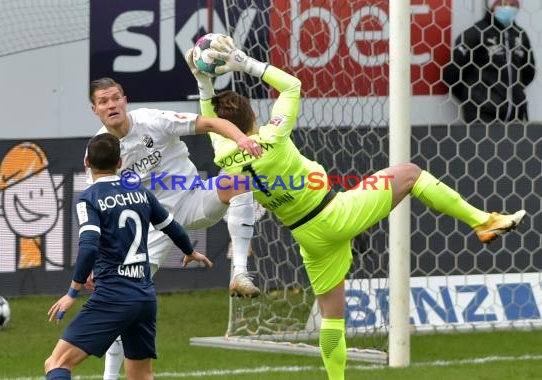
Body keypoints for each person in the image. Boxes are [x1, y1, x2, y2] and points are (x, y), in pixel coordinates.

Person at [186, 36, 526, 380]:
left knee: (332, 318)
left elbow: (210, 119)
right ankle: (483, 221)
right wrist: (246, 64)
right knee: (409, 174)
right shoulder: (272, 139)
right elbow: (292, 86)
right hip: (335, 213)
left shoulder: (223, 154)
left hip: (308, 238)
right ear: (254, 119)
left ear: (224, 130)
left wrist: (203, 81)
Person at [87, 77, 263, 379]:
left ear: (125, 100)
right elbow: (102, 208)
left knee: (239, 183)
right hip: (149, 226)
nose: (111, 104)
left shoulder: (153, 121)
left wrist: (242, 139)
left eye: (115, 98)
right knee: (123, 300)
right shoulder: (100, 150)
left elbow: (209, 123)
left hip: (192, 198)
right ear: (95, 109)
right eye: (103, 101)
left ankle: (240, 272)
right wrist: (96, 261)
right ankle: (109, 377)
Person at [44, 134, 212, 380]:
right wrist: (190, 252)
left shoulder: (88, 199)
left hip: (112, 297)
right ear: (120, 162)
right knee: (141, 375)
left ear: (87, 163)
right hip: (144, 298)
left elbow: (89, 247)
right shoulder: (141, 193)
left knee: (57, 363)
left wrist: (73, 292)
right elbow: (172, 227)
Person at [443, 0, 536, 124]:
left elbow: (529, 71)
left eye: (512, 5)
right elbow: (452, 74)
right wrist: (474, 99)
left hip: (515, 115)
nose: (507, 8)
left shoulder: (520, 35)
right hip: (482, 116)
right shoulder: (474, 33)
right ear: (492, 6)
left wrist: (515, 95)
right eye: (501, 4)